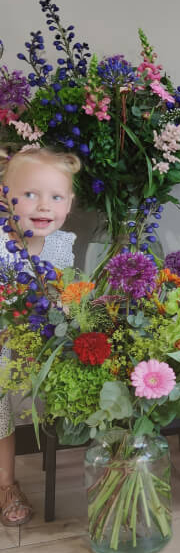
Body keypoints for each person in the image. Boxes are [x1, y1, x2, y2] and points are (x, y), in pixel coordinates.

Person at [0, 146, 79, 526]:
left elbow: (68, 297)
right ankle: (6, 485)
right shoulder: (1, 245)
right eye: (30, 193)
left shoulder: (62, 245)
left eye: (55, 196)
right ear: (5, 196)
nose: (43, 206)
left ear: (69, 203)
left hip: (42, 347)